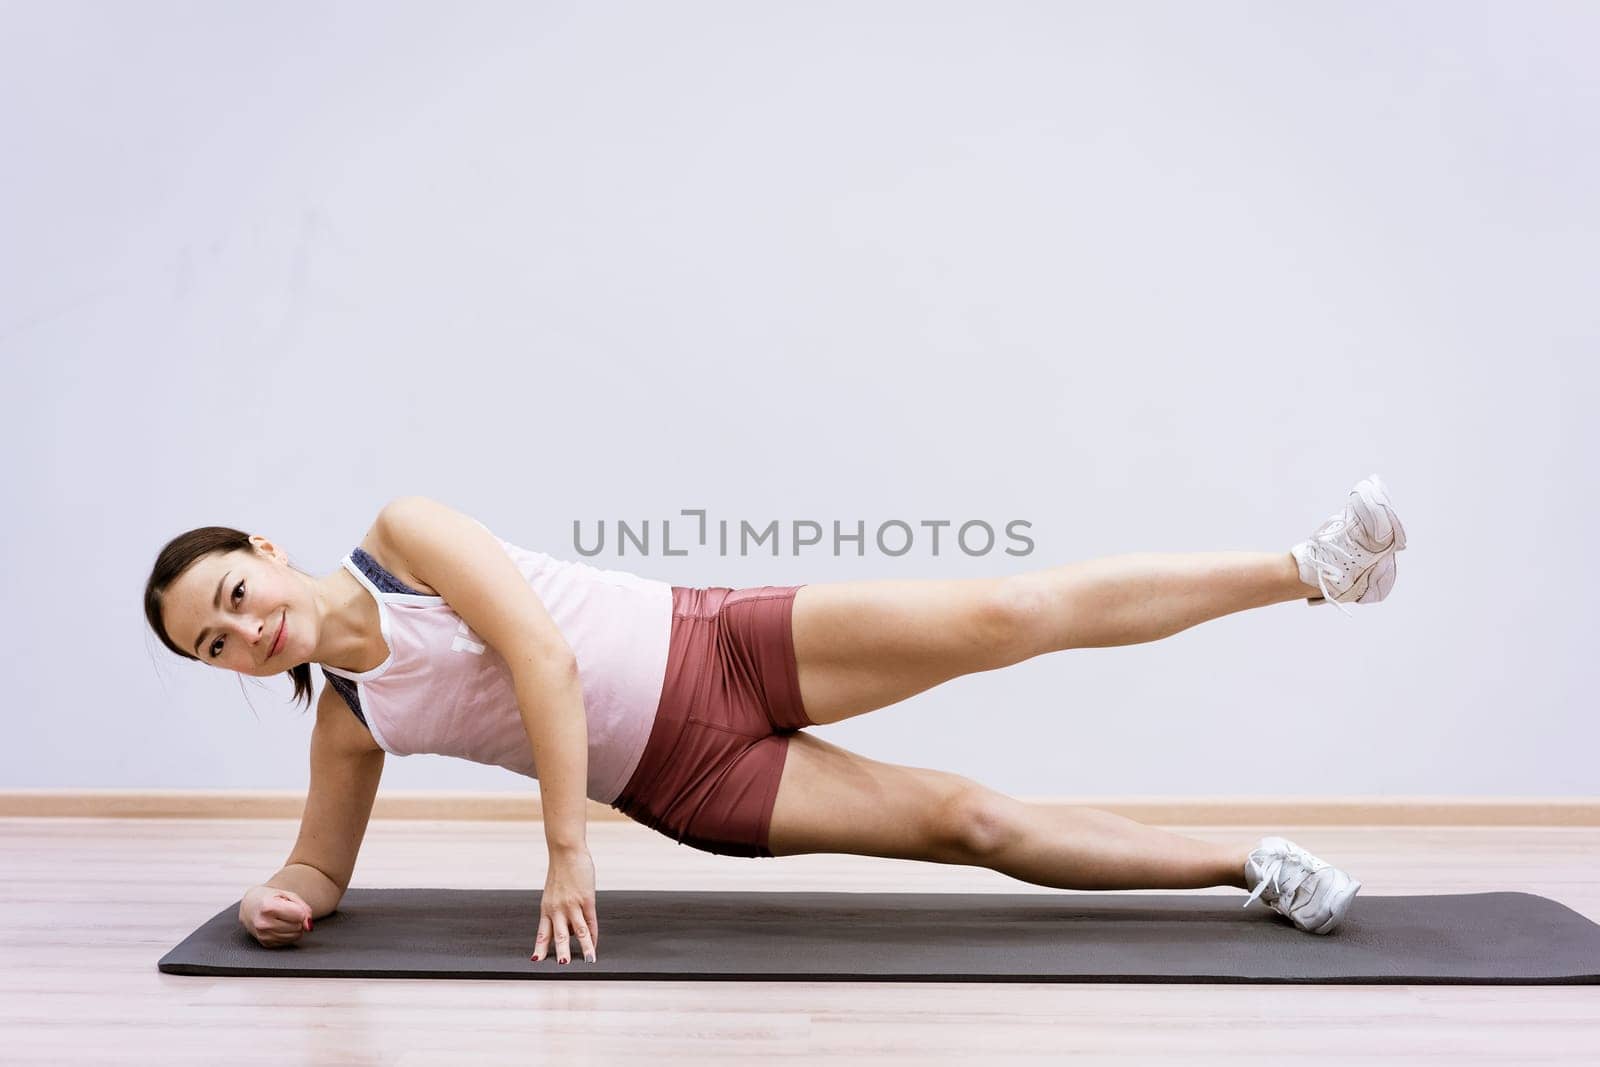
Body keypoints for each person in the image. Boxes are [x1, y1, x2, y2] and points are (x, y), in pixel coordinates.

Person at [145, 474, 1406, 963]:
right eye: (216, 643)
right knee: (964, 819)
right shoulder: (350, 722)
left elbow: (536, 648)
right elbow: (321, 858)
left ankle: (1312, 566)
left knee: (1003, 610)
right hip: (691, 783)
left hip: (718, 640)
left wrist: (566, 849)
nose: (246, 632)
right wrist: (288, 895)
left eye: (235, 596)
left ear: (266, 549)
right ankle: (1252, 867)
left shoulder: (400, 537)